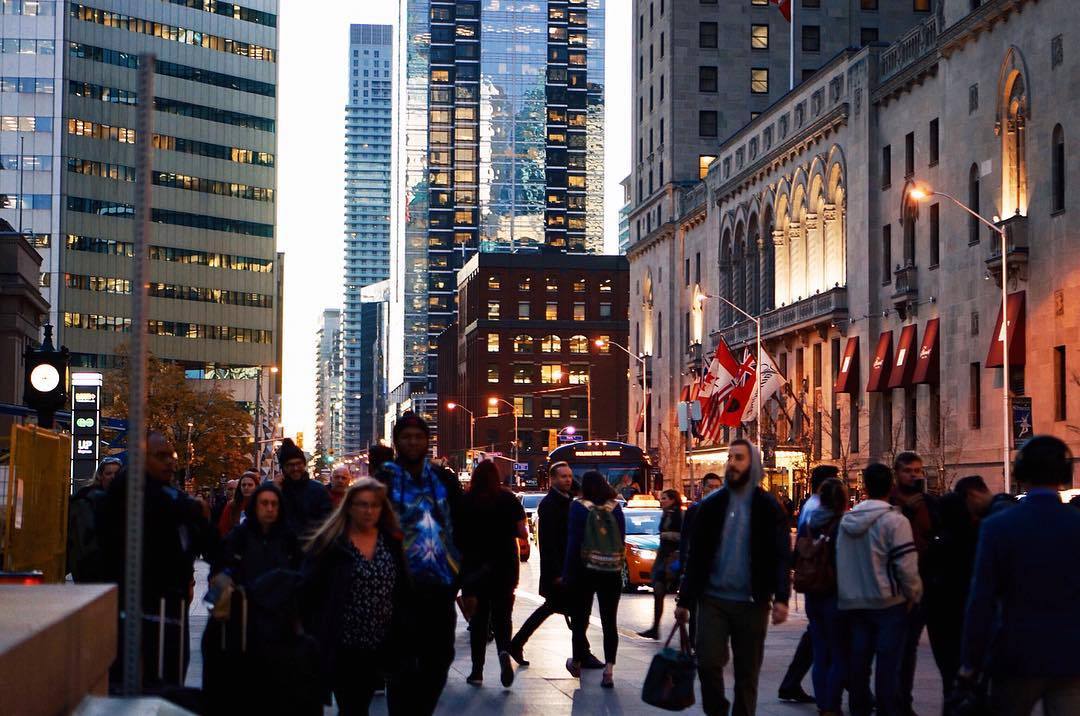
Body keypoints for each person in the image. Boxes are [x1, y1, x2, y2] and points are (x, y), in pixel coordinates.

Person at [959, 436, 1080, 715]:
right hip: (1071, 655)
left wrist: (970, 662)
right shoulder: (1075, 525)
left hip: (1016, 654)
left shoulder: (997, 527)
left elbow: (981, 601)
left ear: (1020, 473)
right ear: (1064, 473)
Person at [675, 439, 791, 716]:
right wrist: (685, 600)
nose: (733, 463)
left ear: (752, 463)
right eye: (730, 458)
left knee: (746, 672)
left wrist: (782, 598)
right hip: (713, 599)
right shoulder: (711, 505)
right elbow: (697, 556)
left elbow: (780, 554)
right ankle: (718, 711)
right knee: (707, 662)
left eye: (739, 458)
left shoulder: (768, 506)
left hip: (752, 601)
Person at [103, 431, 216, 690]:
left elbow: (205, 542)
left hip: (171, 605)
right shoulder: (131, 494)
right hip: (140, 605)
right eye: (161, 456)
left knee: (170, 678)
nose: (169, 462)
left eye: (172, 457)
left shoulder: (175, 499)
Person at [203, 483, 315, 714]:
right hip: (242, 625)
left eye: (274, 504)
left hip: (279, 626)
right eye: (264, 503)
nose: (269, 509)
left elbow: (301, 573)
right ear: (255, 506)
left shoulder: (288, 539)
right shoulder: (239, 537)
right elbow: (220, 568)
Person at [303, 478, 410, 715]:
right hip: (344, 645)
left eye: (374, 505)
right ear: (349, 507)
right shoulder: (332, 543)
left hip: (384, 643)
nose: (368, 510)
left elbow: (405, 588)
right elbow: (310, 589)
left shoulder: (392, 543)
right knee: (353, 706)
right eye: (362, 504)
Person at [381, 411, 464, 715]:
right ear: (397, 442)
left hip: (439, 590)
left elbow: (462, 527)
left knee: (439, 662)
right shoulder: (384, 481)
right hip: (397, 591)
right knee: (400, 669)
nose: (413, 442)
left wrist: (464, 580)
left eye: (419, 437)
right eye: (406, 437)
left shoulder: (444, 480)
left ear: (427, 442)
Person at [836, 463, 923, 716]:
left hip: (854, 602)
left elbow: (841, 560)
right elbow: (906, 565)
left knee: (859, 665)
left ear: (864, 487)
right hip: (888, 603)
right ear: (891, 486)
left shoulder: (845, 521)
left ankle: (859, 709)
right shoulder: (895, 521)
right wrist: (913, 593)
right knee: (888, 667)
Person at [510, 461, 605, 669]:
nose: (568, 480)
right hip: (561, 570)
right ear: (552, 480)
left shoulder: (572, 499)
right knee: (570, 611)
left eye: (570, 476)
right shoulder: (549, 505)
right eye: (563, 476)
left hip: (573, 567)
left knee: (571, 611)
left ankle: (519, 643)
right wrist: (556, 573)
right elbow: (548, 543)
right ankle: (581, 654)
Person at [455, 461, 528, 687]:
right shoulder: (508, 499)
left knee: (478, 621)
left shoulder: (465, 501)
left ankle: (477, 672)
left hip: (474, 567)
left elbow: (457, 536)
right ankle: (504, 652)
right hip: (504, 566)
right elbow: (522, 532)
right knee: (502, 617)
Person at [923, 475, 991, 702]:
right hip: (968, 617)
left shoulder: (937, 545)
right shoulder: (979, 540)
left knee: (949, 679)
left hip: (941, 619)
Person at [780, 464, 840, 705]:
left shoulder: (810, 505)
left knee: (816, 637)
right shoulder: (820, 508)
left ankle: (791, 683)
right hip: (822, 580)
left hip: (815, 579)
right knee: (825, 639)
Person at [564, 470, 626, 688]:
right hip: (611, 571)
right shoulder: (616, 507)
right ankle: (609, 670)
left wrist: (567, 574)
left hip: (584, 570)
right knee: (610, 622)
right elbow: (621, 538)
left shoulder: (577, 507)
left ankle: (578, 662)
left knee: (580, 620)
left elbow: (572, 544)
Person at [889, 450, 936, 714]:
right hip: (895, 585)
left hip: (923, 581)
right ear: (897, 473)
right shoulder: (890, 503)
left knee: (909, 648)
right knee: (898, 648)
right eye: (909, 471)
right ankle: (895, 700)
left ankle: (903, 700)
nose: (915, 475)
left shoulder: (929, 503)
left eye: (918, 470)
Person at [799, 477, 848, 716]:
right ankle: (831, 704)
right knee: (839, 652)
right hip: (833, 592)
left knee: (820, 651)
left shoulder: (810, 521)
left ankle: (822, 702)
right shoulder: (841, 524)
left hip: (812, 591)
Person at [677, 472, 724, 645]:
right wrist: (684, 566)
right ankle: (694, 642)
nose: (713, 490)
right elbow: (685, 539)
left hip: (719, 570)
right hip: (698, 567)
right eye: (710, 487)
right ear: (702, 489)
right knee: (695, 608)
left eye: (717, 487)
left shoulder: (727, 511)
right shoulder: (694, 510)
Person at [68, 456, 122, 582]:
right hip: (94, 571)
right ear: (100, 476)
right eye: (108, 473)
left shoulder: (125, 500)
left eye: (117, 473)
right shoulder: (87, 501)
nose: (113, 477)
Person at [638, 488, 683, 639]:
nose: (661, 500)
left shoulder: (680, 515)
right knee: (658, 590)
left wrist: (667, 535)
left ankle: (687, 633)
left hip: (674, 558)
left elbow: (685, 536)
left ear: (673, 500)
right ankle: (655, 628)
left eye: (664, 498)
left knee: (680, 596)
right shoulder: (665, 514)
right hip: (663, 557)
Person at [278, 437, 332, 537]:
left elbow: (327, 523)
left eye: (298, 464)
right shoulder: (276, 490)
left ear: (304, 464)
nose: (295, 468)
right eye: (290, 465)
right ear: (283, 467)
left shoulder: (318, 490)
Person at [217, 472, 258, 537]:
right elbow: (223, 530)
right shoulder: (232, 506)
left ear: (256, 486)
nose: (246, 487)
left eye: (250, 485)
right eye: (243, 485)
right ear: (240, 487)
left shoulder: (261, 506)